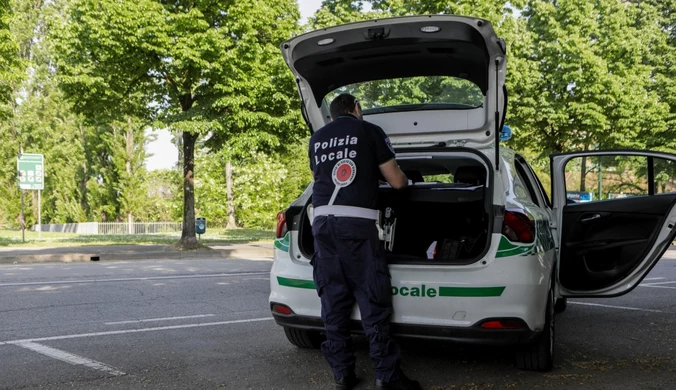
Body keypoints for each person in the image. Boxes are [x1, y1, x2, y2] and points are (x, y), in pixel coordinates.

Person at [308, 93, 421, 390]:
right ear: (356, 109)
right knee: (372, 297)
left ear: (332, 115)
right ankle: (387, 375)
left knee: (333, 300)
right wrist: (407, 181)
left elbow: (324, 178)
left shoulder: (317, 138)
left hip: (321, 224)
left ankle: (343, 375)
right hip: (356, 225)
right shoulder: (369, 130)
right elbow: (396, 182)